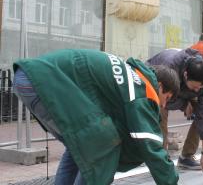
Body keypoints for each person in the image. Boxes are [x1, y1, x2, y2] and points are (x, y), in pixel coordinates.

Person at [12, 49, 180, 185]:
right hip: (41, 82)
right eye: (167, 98)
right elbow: (148, 142)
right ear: (160, 86)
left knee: (79, 147)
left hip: (28, 77)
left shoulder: (131, 76)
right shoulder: (143, 90)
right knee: (100, 145)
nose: (163, 106)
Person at [146, 48, 203, 176]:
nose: (197, 91)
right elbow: (164, 101)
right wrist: (184, 104)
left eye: (200, 88)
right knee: (160, 111)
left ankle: (186, 157)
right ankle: (160, 159)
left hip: (180, 89)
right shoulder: (169, 68)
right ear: (185, 75)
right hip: (157, 86)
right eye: (195, 87)